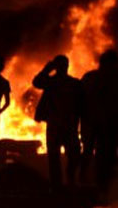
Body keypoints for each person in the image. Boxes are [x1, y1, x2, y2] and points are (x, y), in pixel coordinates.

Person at [32, 55, 82, 190]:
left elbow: (81, 104)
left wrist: (47, 69)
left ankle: (64, 181)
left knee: (67, 155)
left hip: (65, 125)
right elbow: (36, 82)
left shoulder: (72, 83)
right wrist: (47, 70)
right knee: (61, 155)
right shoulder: (53, 82)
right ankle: (59, 183)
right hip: (59, 124)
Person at [80, 49, 118, 185]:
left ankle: (94, 182)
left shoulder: (90, 77)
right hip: (97, 123)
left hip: (99, 123)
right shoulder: (112, 79)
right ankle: (88, 181)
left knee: (96, 153)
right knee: (95, 152)